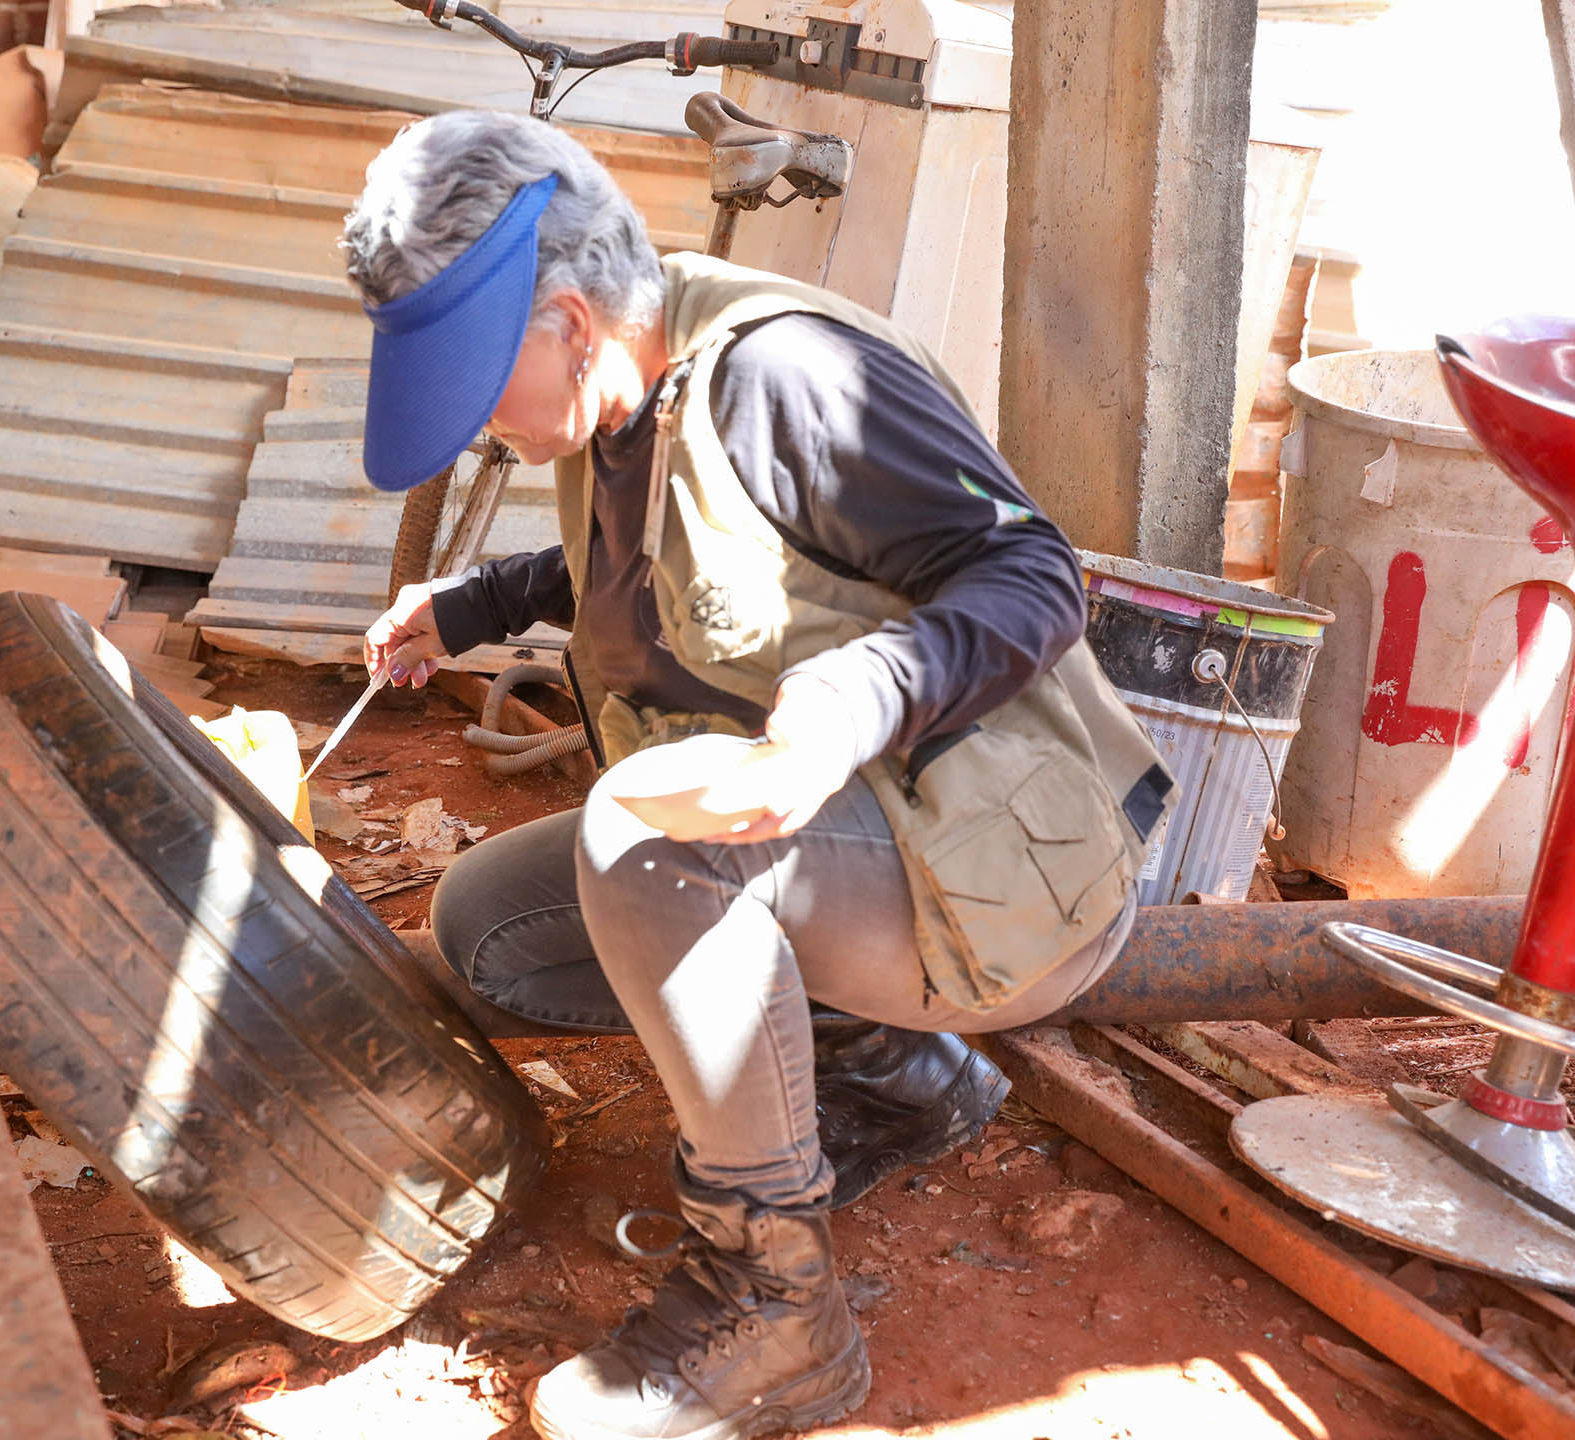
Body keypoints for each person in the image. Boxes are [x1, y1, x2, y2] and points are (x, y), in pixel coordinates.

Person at [343, 112, 1174, 1440]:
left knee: (643, 839)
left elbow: (1034, 575)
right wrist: (477, 602)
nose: (471, 431)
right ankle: (896, 1081)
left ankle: (773, 1309)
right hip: (876, 840)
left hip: (999, 863)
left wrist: (856, 698)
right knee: (494, 927)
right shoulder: (627, 392)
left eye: (479, 381)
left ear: (567, 322)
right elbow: (673, 559)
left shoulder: (786, 373)